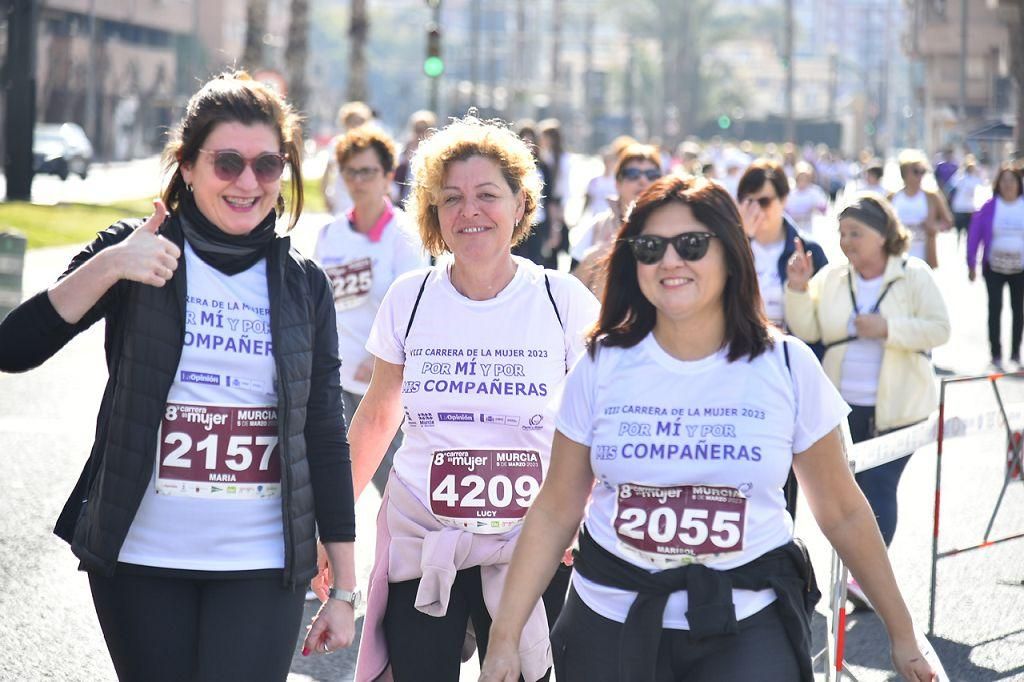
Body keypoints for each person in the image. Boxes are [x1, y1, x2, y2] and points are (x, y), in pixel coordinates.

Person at [478, 176, 936, 682]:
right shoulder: (600, 364)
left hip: (747, 629)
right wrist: (503, 639)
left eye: (692, 244)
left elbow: (844, 511)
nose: (670, 261)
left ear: (730, 253)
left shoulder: (786, 365)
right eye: (651, 248)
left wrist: (903, 633)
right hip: (609, 623)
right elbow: (555, 508)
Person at [0, 72, 357, 680]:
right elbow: (14, 348)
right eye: (227, 163)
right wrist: (112, 265)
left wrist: (344, 589)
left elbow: (324, 432)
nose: (248, 182)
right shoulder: (136, 253)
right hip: (142, 558)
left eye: (267, 165)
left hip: (262, 563)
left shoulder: (304, 284)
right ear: (187, 167)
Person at [347, 114, 600, 682]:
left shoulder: (563, 302)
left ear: (519, 204)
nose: (470, 211)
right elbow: (379, 416)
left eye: (487, 195)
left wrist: (588, 515)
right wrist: (332, 530)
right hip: (425, 536)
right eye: (452, 198)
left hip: (532, 544)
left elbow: (602, 424)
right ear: (434, 213)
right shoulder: (409, 298)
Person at [785, 193, 950, 603]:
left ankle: (862, 580)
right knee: (849, 494)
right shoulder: (835, 277)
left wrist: (887, 328)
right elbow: (808, 332)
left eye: (855, 233)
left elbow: (939, 329)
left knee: (877, 487)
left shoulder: (914, 274)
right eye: (842, 233)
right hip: (842, 408)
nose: (846, 242)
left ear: (882, 235)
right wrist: (798, 288)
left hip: (901, 410)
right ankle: (860, 575)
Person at [313, 125, 426, 495]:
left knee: (395, 483)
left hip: (379, 380)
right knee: (331, 483)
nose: (358, 181)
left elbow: (413, 309)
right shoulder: (330, 233)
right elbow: (318, 303)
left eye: (368, 171)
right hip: (332, 376)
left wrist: (377, 359)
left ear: (388, 175)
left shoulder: (404, 235)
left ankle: (411, 550)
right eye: (351, 171)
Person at [737, 158, 828, 332]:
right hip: (738, 350)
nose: (756, 209)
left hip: (790, 351)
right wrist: (742, 240)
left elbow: (824, 316)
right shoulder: (729, 249)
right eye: (748, 201)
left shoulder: (809, 250)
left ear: (784, 199)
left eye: (764, 202)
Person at [571, 143, 662, 296]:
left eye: (651, 175)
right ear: (617, 183)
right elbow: (571, 288)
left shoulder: (672, 228)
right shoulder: (598, 227)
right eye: (632, 174)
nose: (642, 181)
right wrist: (594, 257)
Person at [967, 165, 1024, 368]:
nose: (1008, 185)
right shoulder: (990, 207)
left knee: (1019, 310)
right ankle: (996, 353)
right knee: (995, 308)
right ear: (998, 184)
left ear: (1019, 184)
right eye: (1004, 181)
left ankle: (1016, 352)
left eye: (1013, 181)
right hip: (994, 267)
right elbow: (975, 236)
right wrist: (971, 263)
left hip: (1020, 269)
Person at [890, 150, 953, 268]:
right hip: (897, 255)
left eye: (922, 171)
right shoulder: (893, 197)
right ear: (904, 173)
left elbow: (948, 222)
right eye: (916, 171)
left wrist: (933, 227)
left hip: (923, 256)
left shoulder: (931, 196)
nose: (920, 176)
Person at [321, 100, 374, 216]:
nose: (356, 125)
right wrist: (325, 195)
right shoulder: (336, 144)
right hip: (341, 198)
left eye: (360, 122)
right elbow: (327, 171)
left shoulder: (369, 146)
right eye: (353, 121)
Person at [538, 119, 572, 268]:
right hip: (548, 203)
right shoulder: (546, 158)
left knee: (552, 245)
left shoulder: (560, 159)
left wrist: (560, 213)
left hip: (553, 204)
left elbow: (564, 188)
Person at [392, 109, 437, 205]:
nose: (420, 134)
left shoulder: (436, 155)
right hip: (401, 203)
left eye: (425, 129)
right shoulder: (401, 152)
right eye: (417, 129)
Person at [949, 155, 985, 246]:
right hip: (960, 208)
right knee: (958, 232)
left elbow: (982, 183)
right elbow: (953, 183)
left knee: (969, 232)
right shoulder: (961, 177)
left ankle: (968, 249)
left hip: (970, 209)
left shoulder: (975, 179)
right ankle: (957, 248)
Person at [785, 161, 829, 232]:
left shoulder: (815, 191)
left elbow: (824, 208)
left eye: (805, 178)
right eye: (800, 177)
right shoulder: (791, 193)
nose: (803, 180)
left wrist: (815, 208)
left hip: (809, 229)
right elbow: (785, 211)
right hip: (793, 228)